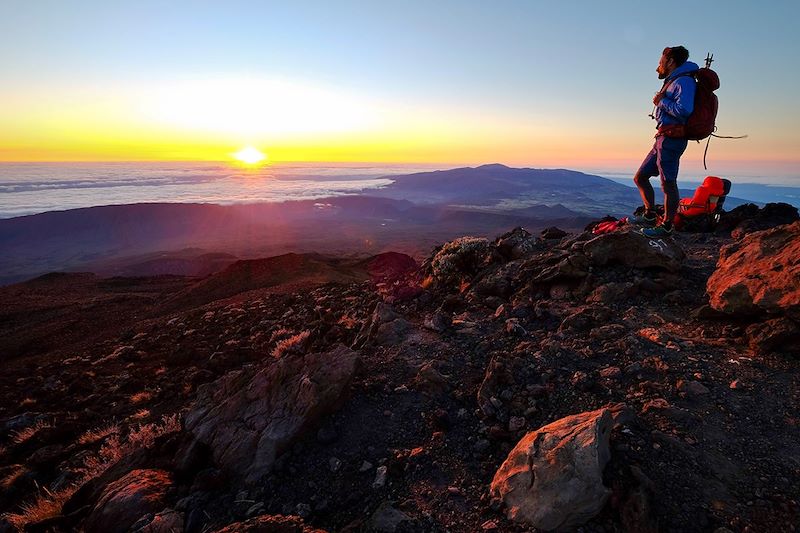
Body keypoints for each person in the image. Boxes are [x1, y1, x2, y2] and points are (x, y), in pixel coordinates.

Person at [632, 46, 699, 237]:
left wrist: (661, 101)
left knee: (668, 183)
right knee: (640, 177)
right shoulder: (674, 81)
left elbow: (684, 110)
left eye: (660, 62)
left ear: (670, 62)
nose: (658, 67)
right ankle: (650, 215)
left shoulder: (684, 81)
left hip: (672, 139)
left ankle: (667, 226)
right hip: (662, 138)